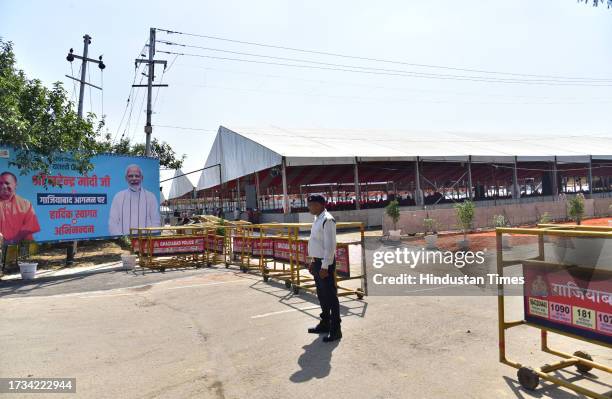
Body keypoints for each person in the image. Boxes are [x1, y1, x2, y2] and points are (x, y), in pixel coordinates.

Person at [306, 194, 341, 342]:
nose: (309, 207)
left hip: (325, 264)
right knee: (321, 295)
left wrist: (325, 266)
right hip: (318, 262)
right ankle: (325, 322)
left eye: (312, 204)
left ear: (320, 205)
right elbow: (316, 243)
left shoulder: (327, 220)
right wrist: (313, 261)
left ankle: (336, 329)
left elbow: (330, 246)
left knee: (331, 297)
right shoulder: (317, 219)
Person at [108, 164, 160, 235]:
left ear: (142, 178)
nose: (134, 178)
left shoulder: (151, 197)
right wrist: (122, 240)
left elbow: (155, 221)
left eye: (137, 176)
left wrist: (150, 239)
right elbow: (112, 223)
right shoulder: (118, 197)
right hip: (124, 242)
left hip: (146, 241)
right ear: (126, 178)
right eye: (130, 176)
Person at [0, 171, 41, 243]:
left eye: (7, 183)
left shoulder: (25, 204)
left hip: (21, 247)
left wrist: (13, 241)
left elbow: (30, 227)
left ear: (15, 185)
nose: (3, 186)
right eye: (0, 183)